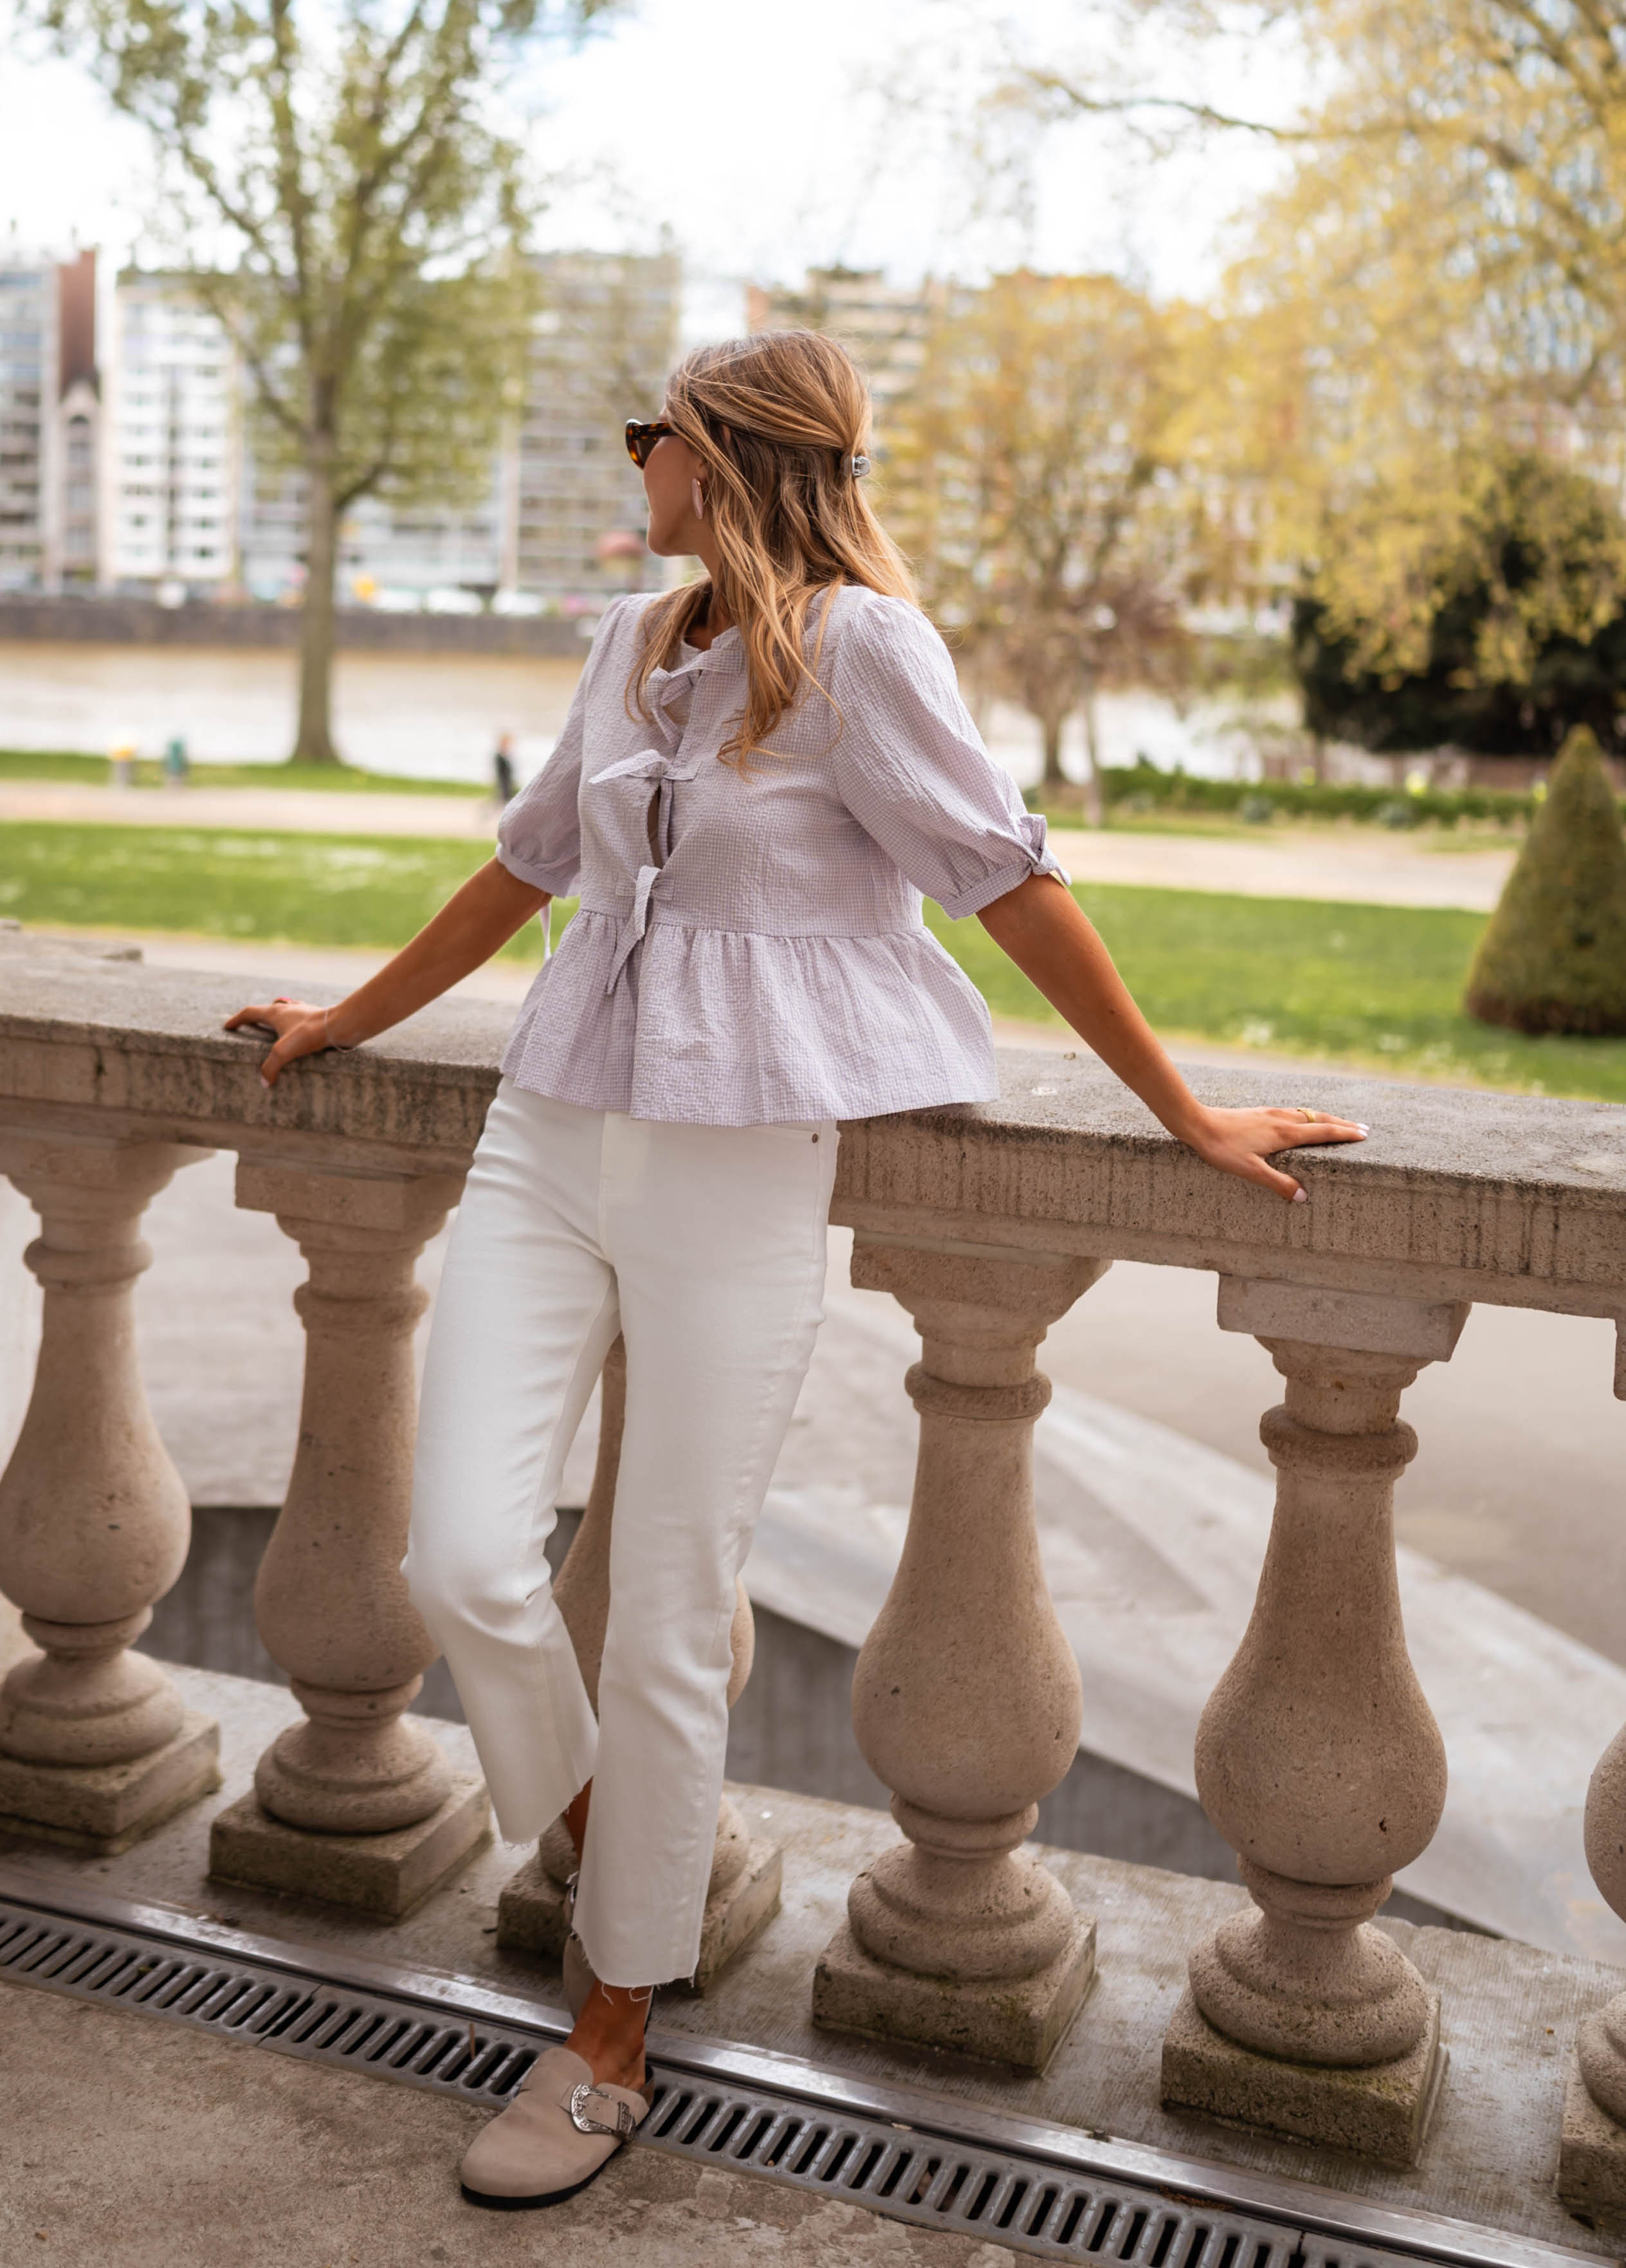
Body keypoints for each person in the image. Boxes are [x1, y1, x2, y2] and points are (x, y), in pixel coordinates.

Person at [224, 330, 1367, 2212]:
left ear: (726, 458)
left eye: (645, 437)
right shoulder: (626, 646)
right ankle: (616, 1835)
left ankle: (607, 2032)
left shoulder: (861, 653)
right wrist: (346, 1015)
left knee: (667, 1605)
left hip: (741, 1161)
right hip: (550, 1127)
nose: (629, 465)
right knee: (459, 1554)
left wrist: (1178, 1110)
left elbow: (1007, 880)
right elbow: (522, 874)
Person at [492, 732, 518, 809]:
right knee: (504, 802)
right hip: (504, 783)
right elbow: (501, 772)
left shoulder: (504, 756)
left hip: (507, 783)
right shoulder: (499, 757)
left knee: (503, 802)